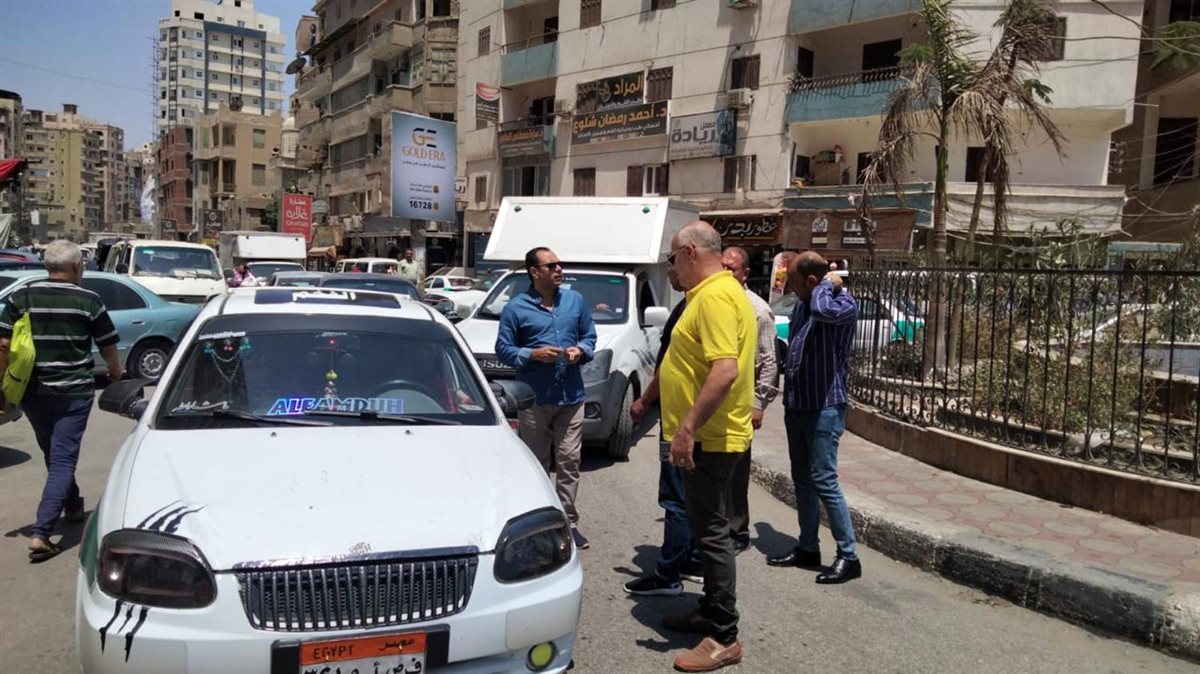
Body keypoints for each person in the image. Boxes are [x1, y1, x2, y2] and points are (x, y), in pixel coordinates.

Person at [658, 221, 755, 672]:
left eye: (673, 257)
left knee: (712, 534)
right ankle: (709, 611)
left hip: (711, 438)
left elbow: (724, 370)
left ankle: (724, 636)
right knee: (705, 528)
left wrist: (688, 427)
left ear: (691, 252)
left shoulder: (715, 296)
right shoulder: (716, 293)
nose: (673, 266)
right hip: (713, 435)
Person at [0, 240, 125, 561]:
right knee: (62, 459)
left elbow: (3, 344)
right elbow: (108, 346)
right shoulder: (89, 300)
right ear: (77, 266)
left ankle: (72, 504)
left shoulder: (21, 296)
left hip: (32, 393)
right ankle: (41, 533)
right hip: (73, 393)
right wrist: (116, 372)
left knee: (54, 453)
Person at [766, 252, 862, 584]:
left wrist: (825, 284)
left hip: (825, 407)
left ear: (811, 281)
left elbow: (824, 311)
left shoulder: (842, 304)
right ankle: (808, 546)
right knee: (803, 480)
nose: (791, 290)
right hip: (798, 405)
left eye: (795, 283)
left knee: (824, 480)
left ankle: (848, 556)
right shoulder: (803, 305)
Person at [495, 247, 597, 549]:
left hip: (571, 396)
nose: (558, 269)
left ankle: (568, 523)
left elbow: (589, 336)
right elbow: (503, 349)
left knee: (569, 462)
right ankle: (538, 525)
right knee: (537, 464)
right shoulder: (516, 308)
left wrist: (581, 350)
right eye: (551, 265)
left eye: (559, 264)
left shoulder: (575, 301)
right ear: (534, 272)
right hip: (534, 399)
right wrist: (532, 354)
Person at [623, 264, 698, 597]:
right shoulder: (696, 305)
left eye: (673, 263)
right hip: (693, 420)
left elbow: (668, 365)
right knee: (692, 498)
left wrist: (645, 400)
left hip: (681, 422)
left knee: (676, 499)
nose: (669, 271)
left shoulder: (693, 308)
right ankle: (691, 560)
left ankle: (669, 574)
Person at [720, 246, 779, 555]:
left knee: (736, 468)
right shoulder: (715, 301)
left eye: (731, 268)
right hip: (714, 401)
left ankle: (737, 530)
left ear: (745, 273)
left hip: (742, 403)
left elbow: (769, 361)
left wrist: (759, 403)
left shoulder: (757, 309)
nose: (725, 272)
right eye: (722, 266)